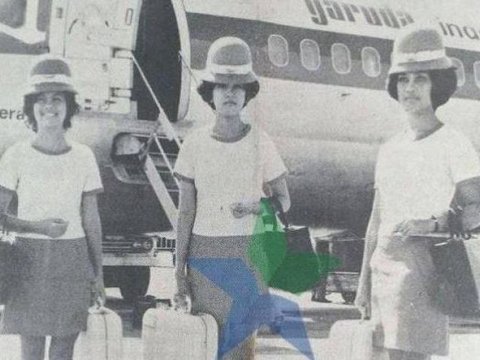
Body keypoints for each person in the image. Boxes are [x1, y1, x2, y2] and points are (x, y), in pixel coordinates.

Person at [355, 26, 480, 360]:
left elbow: (476, 207)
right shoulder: (390, 147)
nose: (409, 88)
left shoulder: (454, 142)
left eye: (420, 79)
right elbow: (376, 220)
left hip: (422, 271)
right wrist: (363, 283)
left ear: (437, 85)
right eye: (403, 80)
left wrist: (434, 225)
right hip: (383, 270)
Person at [173, 37, 290, 359]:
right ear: (209, 92)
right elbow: (185, 214)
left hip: (247, 254)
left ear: (247, 94)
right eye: (221, 85)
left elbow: (284, 200)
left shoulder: (261, 142)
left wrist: (259, 206)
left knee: (241, 348)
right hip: (203, 253)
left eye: (238, 87)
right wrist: (178, 271)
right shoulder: (194, 144)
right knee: (207, 343)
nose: (229, 93)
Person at [0, 55, 105, 360]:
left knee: (64, 349)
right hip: (27, 259)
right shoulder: (16, 155)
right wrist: (38, 227)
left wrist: (98, 274)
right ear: (30, 107)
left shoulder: (84, 156)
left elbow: (91, 220)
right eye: (41, 99)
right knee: (31, 350)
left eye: (57, 98)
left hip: (72, 261)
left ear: (69, 106)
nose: (49, 106)